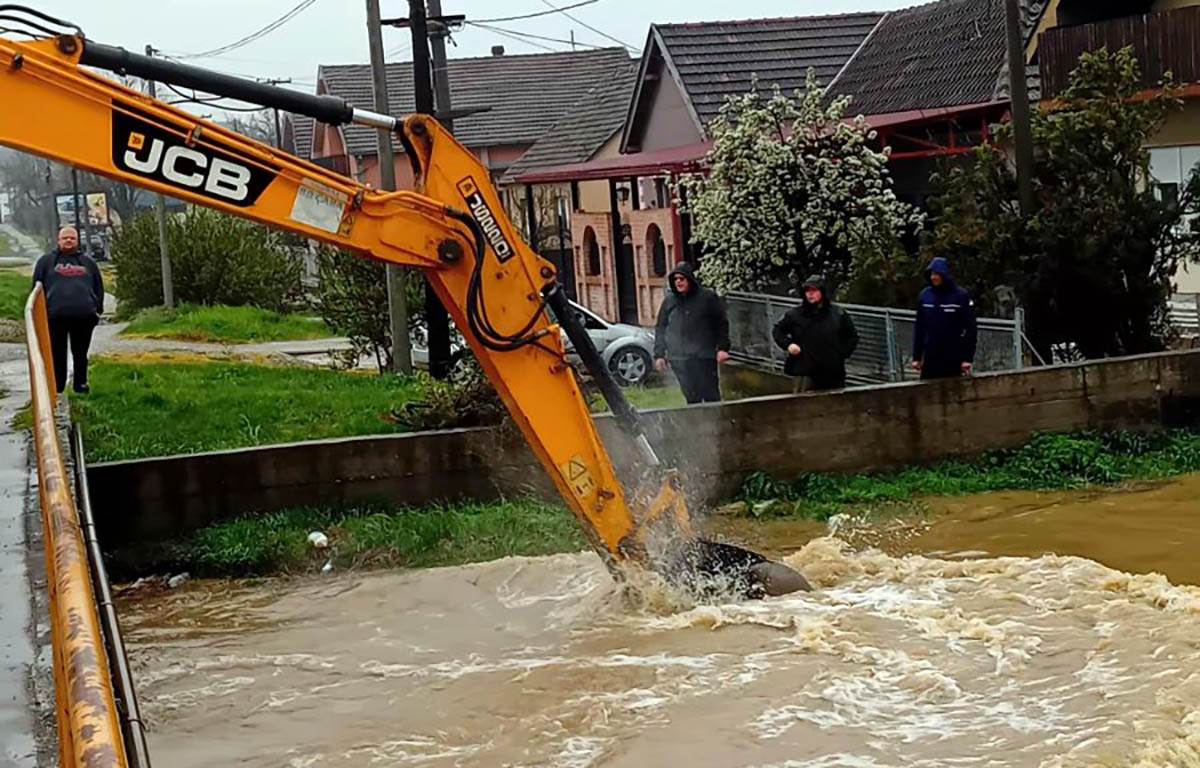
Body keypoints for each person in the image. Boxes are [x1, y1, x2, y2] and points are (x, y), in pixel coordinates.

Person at [32, 226, 104, 394]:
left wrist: (97, 309)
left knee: (80, 352)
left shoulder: (88, 263)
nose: (68, 240)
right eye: (65, 238)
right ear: (58, 240)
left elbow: (98, 287)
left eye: (72, 238)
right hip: (55, 316)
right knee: (57, 353)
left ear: (77, 241)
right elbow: (36, 288)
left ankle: (81, 383)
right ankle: (58, 386)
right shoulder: (46, 262)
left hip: (84, 316)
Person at [653, 262, 731, 404]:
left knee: (710, 395)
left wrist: (723, 348)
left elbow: (721, 323)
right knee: (691, 396)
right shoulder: (670, 301)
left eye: (682, 279)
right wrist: (659, 355)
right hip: (679, 358)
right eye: (675, 279)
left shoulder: (708, 298)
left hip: (704, 356)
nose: (678, 282)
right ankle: (696, 423)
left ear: (690, 279)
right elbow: (661, 327)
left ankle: (716, 423)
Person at [772, 274, 858, 392]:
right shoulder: (795, 315)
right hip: (805, 373)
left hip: (833, 373)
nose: (810, 294)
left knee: (836, 407)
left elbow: (852, 337)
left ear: (822, 292)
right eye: (807, 291)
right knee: (804, 406)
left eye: (814, 290)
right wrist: (788, 345)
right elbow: (778, 330)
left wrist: (841, 354)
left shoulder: (838, 314)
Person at [912, 256, 977, 380]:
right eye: (931, 274)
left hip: (953, 355)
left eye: (937, 274)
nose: (933, 277)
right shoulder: (925, 296)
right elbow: (920, 328)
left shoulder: (960, 296)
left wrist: (967, 358)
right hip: (931, 354)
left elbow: (970, 329)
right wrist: (917, 357)